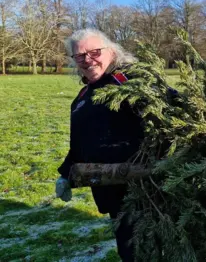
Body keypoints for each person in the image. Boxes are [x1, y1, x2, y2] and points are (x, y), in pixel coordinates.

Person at [55, 28, 142, 261]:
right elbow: (80, 144)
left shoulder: (128, 82)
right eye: (80, 56)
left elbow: (168, 107)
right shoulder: (82, 97)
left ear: (111, 51)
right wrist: (66, 174)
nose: (88, 60)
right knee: (128, 251)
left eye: (94, 52)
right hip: (110, 191)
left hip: (143, 192)